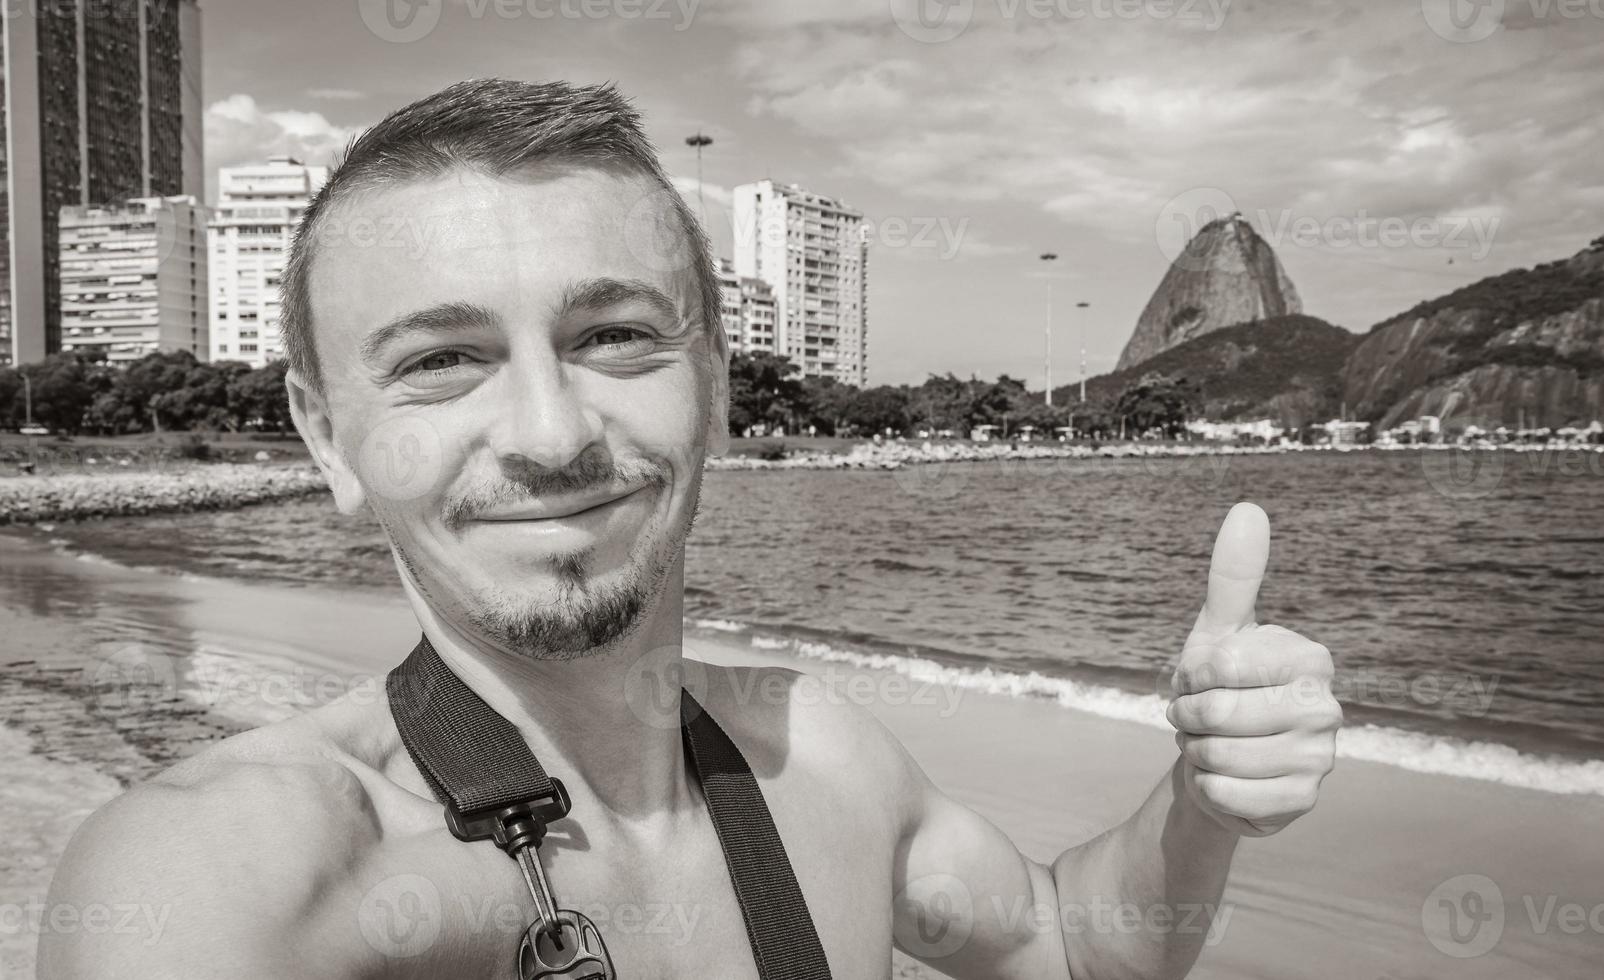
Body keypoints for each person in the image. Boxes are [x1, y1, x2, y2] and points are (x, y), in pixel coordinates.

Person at [39, 79, 1340, 980]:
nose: (550, 435)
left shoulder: (820, 759)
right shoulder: (234, 874)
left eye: (613, 336)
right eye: (441, 359)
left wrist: (1204, 800)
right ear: (327, 438)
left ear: (712, 382)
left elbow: (1065, 949)